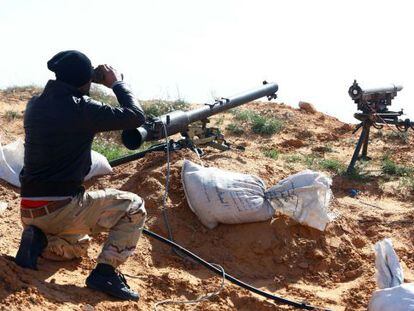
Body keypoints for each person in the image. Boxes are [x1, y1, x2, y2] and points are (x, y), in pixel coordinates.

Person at [15, 50, 147, 301]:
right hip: (63, 207)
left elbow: (71, 91)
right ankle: (105, 273)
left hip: (29, 210)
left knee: (79, 247)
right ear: (85, 80)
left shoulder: (35, 104)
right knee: (135, 206)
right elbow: (135, 117)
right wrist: (116, 83)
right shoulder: (82, 108)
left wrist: (85, 80)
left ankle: (38, 239)